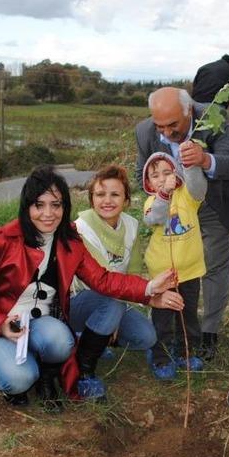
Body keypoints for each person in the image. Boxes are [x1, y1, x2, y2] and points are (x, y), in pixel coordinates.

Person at [0, 166, 183, 412]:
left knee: (61, 341)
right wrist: (0, 324)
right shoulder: (1, 240)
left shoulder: (69, 241)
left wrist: (150, 288)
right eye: (39, 205)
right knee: (20, 379)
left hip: (40, 321)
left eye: (56, 205)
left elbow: (103, 280)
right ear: (27, 207)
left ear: (64, 207)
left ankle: (46, 375)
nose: (48, 214)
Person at [135, 87, 229, 361]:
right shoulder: (144, 132)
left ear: (189, 110)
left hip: (214, 202)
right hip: (173, 210)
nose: (165, 133)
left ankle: (209, 332)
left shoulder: (213, 117)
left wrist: (204, 160)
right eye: (160, 126)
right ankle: (175, 331)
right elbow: (139, 173)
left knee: (213, 265)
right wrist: (159, 197)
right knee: (177, 270)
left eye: (173, 125)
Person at [69, 165, 157, 400]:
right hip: (79, 301)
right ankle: (84, 371)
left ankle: (97, 339)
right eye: (100, 194)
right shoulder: (81, 228)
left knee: (146, 337)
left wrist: (120, 312)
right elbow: (101, 282)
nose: (107, 200)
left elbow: (135, 270)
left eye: (115, 194)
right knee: (111, 306)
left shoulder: (131, 225)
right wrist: (116, 312)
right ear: (91, 200)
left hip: (117, 299)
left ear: (127, 200)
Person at [142, 152, 208, 380]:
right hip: (163, 275)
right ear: (148, 183)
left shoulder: (188, 196)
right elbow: (155, 218)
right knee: (163, 318)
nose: (161, 178)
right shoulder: (152, 202)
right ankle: (159, 356)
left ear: (176, 173)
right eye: (155, 175)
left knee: (187, 314)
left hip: (189, 271)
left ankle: (186, 353)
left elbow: (199, 187)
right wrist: (164, 193)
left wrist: (189, 164)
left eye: (167, 172)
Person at [192, 54, 229, 118]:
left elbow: (195, 87)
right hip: (215, 107)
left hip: (195, 107)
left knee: (197, 127)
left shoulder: (203, 68)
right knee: (224, 127)